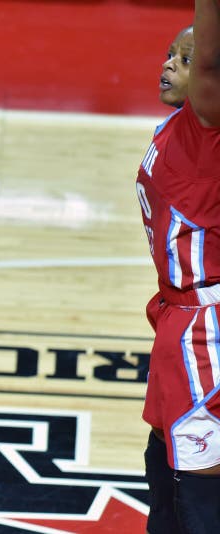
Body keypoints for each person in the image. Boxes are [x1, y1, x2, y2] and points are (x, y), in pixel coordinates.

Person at [136, 2, 220, 533]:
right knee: (161, 474)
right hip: (175, 320)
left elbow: (212, 64)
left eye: (185, 59)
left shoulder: (206, 129)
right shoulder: (175, 125)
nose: (170, 65)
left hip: (205, 333)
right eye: (170, 54)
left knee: (200, 502)